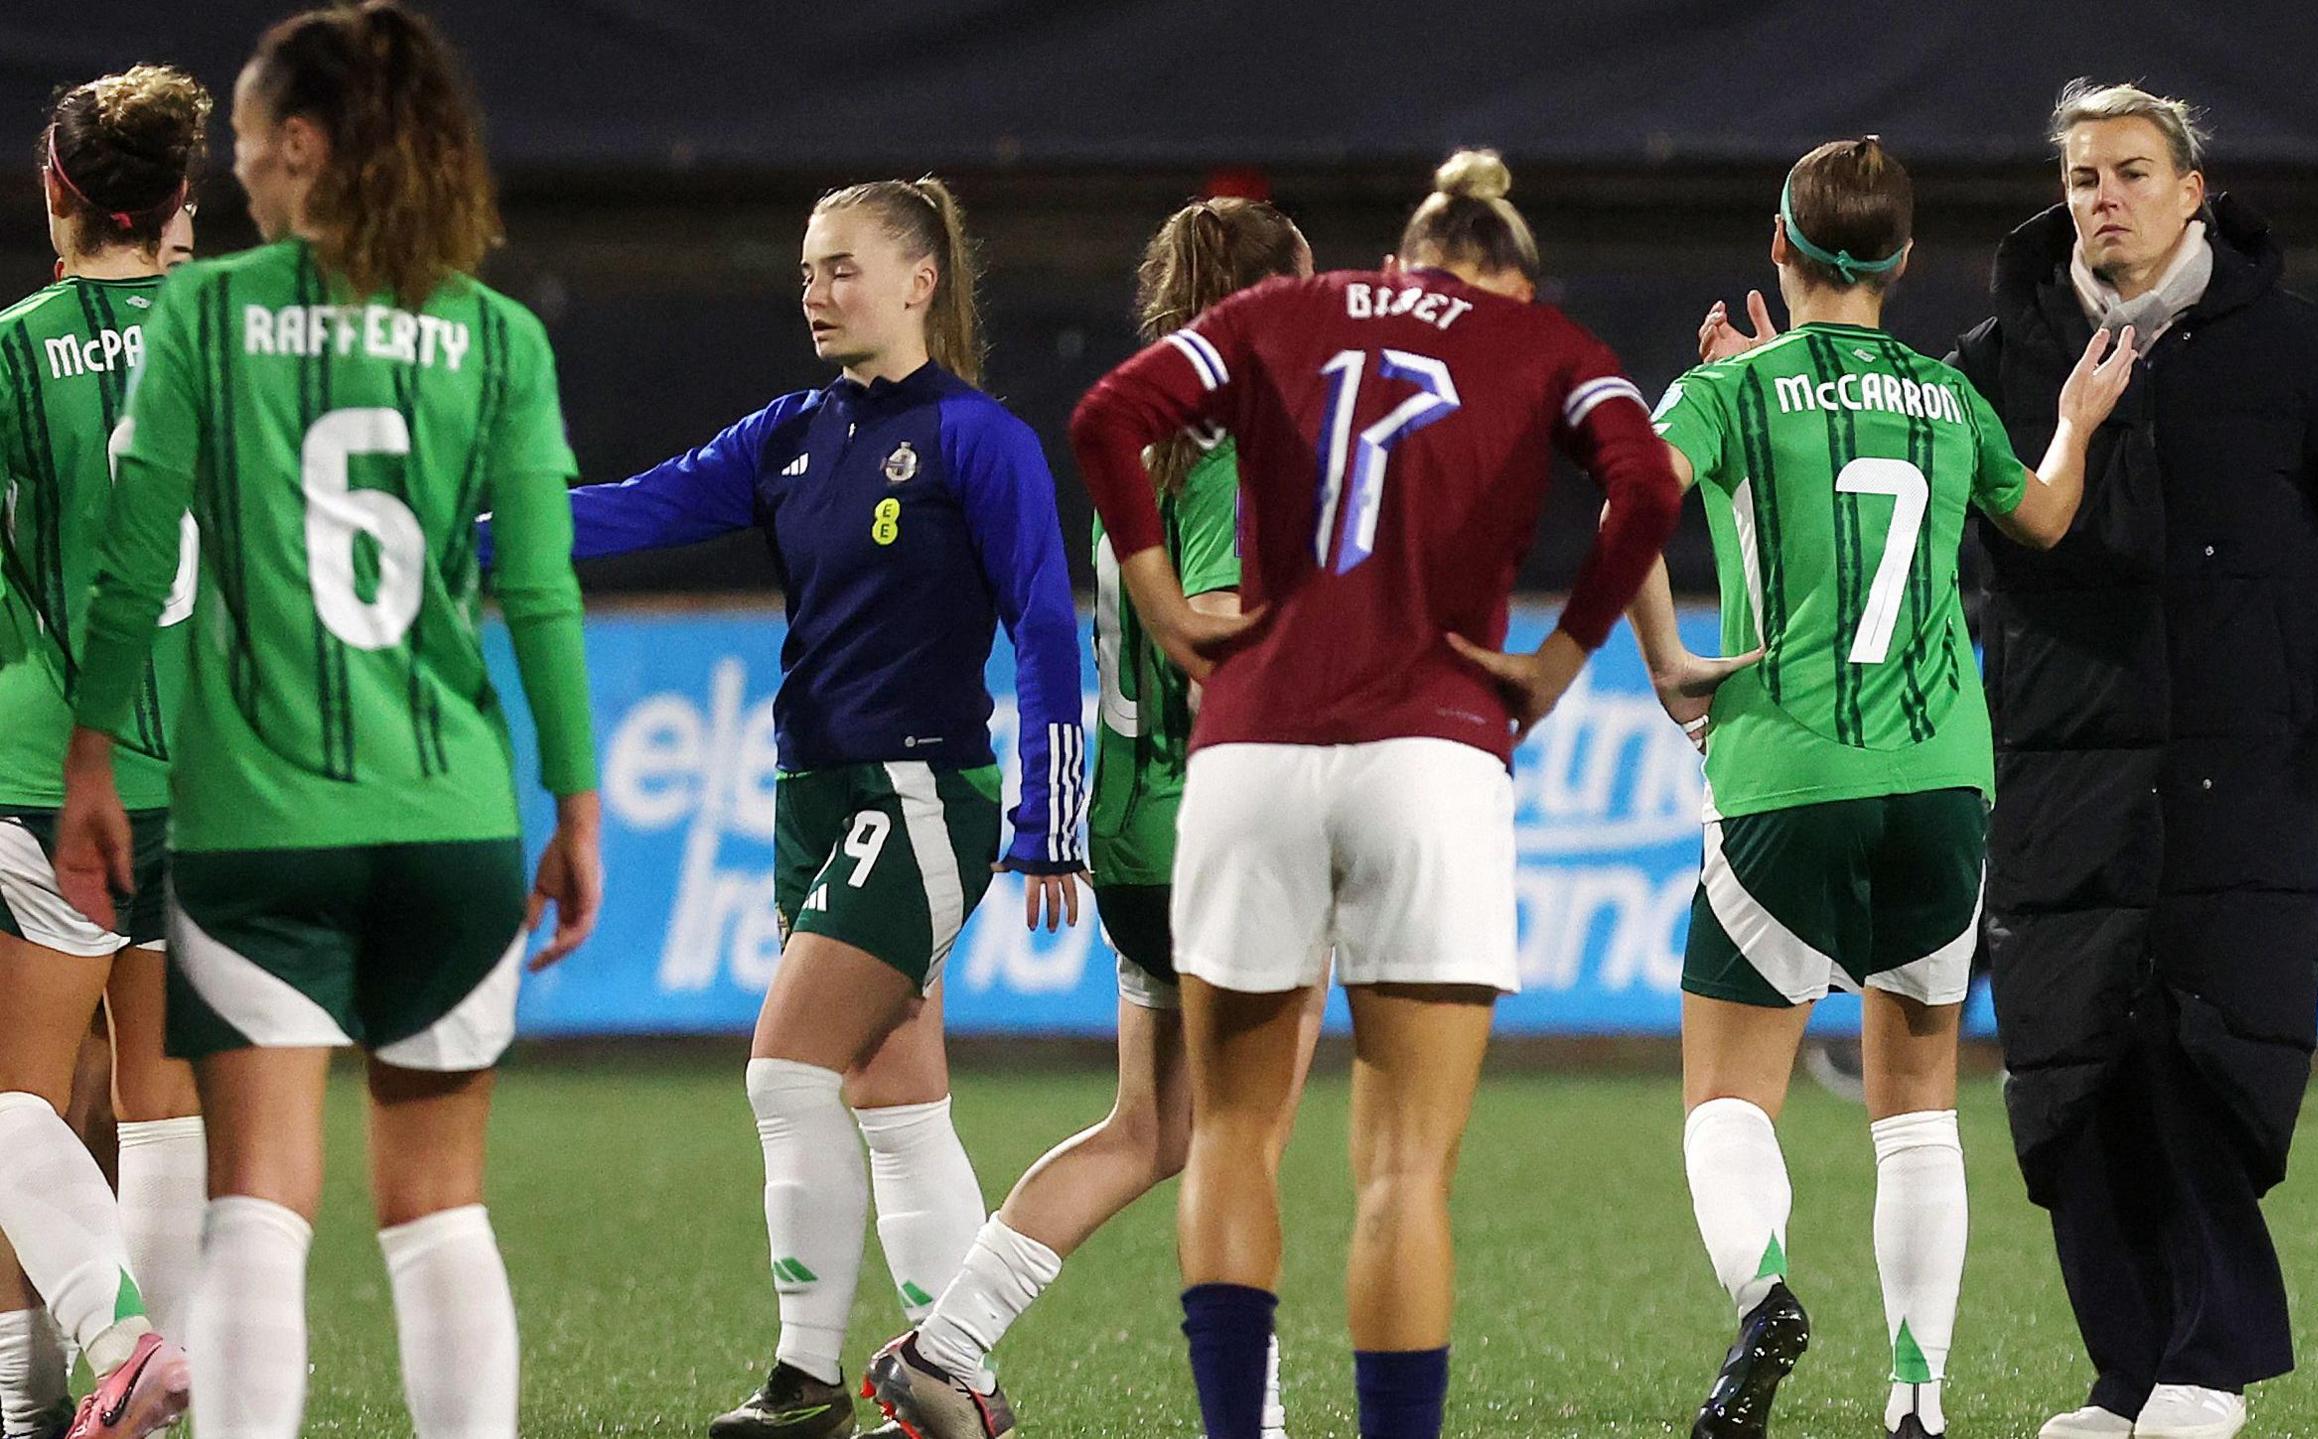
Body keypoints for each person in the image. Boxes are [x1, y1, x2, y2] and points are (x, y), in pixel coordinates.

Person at [51, 4, 605, 1435]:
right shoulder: (496, 334)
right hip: (454, 817)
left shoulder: (208, 313)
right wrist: (581, 801)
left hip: (255, 829)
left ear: (301, 146)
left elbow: (131, 555)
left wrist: (96, 748)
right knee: (436, 1210)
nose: (230, 165)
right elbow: (538, 592)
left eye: (243, 133)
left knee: (261, 1210)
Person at [1070, 149, 1682, 1439]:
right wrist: (1562, 656)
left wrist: (1165, 602)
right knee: (1403, 1165)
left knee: (1231, 1136)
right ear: (1506, 273)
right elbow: (1647, 482)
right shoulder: (1541, 341)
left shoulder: (1275, 312)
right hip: (1436, 748)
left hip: (1249, 752)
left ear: (1400, 260)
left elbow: (1105, 419)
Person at [1949, 82, 2318, 1439]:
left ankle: (2213, 1357)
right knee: (2074, 1070)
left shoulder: (2287, 349)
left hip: (2237, 768)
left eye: (2130, 170)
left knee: (2202, 1055)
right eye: (2081, 177)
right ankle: (2126, 1373)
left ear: (2194, 189)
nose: (2102, 196)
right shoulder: (1997, 357)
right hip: (2063, 764)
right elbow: (1938, 544)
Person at [542, 176, 1087, 1439]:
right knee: (896, 1101)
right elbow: (631, 508)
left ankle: (803, 1380)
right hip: (816, 794)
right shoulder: (789, 432)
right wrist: (458, 538)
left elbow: (1048, 625)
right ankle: (957, 1378)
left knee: (787, 1072)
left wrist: (1050, 815)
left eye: (843, 267)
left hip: (915, 791)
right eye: (805, 271)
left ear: (920, 281)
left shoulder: (975, 438)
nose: (816, 292)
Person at [1633, 138, 2135, 1439]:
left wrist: (1667, 657)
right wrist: (2077, 420)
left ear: (1778, 249)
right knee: (1916, 1106)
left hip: (1786, 768)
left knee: (1728, 1092)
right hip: (1941, 779)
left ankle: (1766, 1298)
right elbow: (2046, 520)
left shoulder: (1734, 389)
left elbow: (1629, 490)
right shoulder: (1947, 398)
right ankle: (1918, 1397)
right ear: (1903, 263)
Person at [864, 196, 1316, 1439]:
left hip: (1132, 836)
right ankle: (1254, 1416)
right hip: (1218, 834)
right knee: (1238, 1142)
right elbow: (1219, 642)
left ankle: (946, 1346)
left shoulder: (1156, 436)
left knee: (1154, 1128)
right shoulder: (1233, 448)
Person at [0, 62, 213, 1439]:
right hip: (208, 771)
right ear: (177, 204)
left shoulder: (19, 345)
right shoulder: (241, 340)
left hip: (50, 764)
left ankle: (115, 1337)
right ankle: (64, 1395)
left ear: (58, 191)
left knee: (16, 1097)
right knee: (159, 1101)